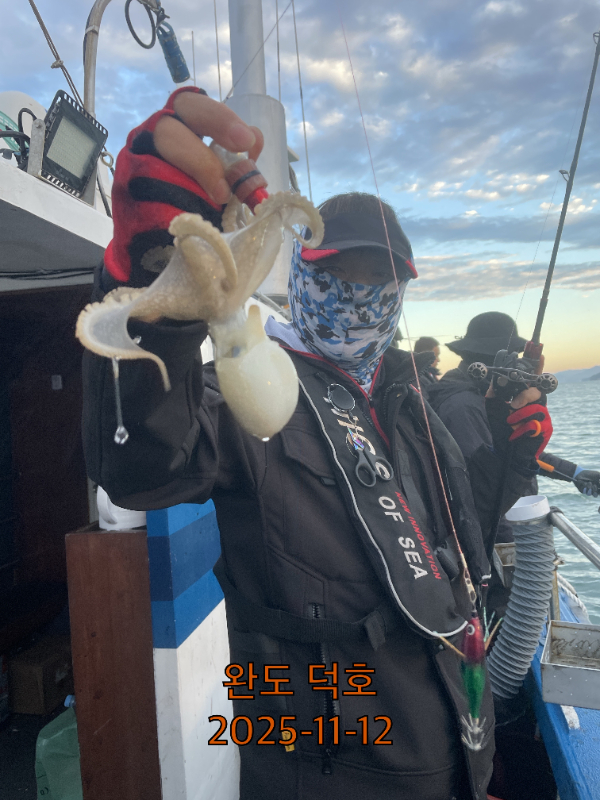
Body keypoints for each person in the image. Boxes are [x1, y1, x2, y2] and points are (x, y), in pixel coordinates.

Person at [82, 87, 553, 800]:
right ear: (302, 271)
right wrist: (155, 284)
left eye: (380, 283)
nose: (358, 300)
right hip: (325, 765)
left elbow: (463, 553)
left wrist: (516, 465)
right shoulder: (246, 390)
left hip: (452, 752)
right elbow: (145, 463)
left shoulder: (411, 403)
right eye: (336, 277)